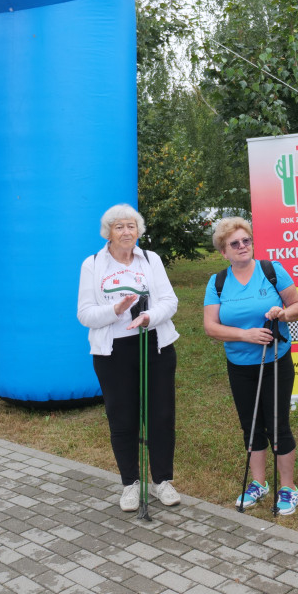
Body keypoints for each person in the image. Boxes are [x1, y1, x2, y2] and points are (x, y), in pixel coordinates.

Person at [77, 204, 182, 512]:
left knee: (161, 415)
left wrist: (149, 317)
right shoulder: (93, 264)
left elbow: (169, 300)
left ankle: (162, 481)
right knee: (122, 419)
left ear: (139, 231)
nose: (126, 232)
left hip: (155, 344)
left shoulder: (151, 259)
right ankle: (130, 484)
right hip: (113, 352)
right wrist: (116, 310)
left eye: (131, 226)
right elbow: (84, 314)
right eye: (119, 227)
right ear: (108, 232)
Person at [203, 217, 298, 515]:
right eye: (234, 244)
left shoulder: (271, 270)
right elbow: (210, 327)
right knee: (250, 427)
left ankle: (287, 487)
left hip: (275, 361)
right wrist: (244, 335)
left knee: (278, 425)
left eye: (246, 240)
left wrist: (283, 313)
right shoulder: (218, 282)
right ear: (224, 252)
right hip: (239, 365)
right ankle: (259, 483)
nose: (242, 247)